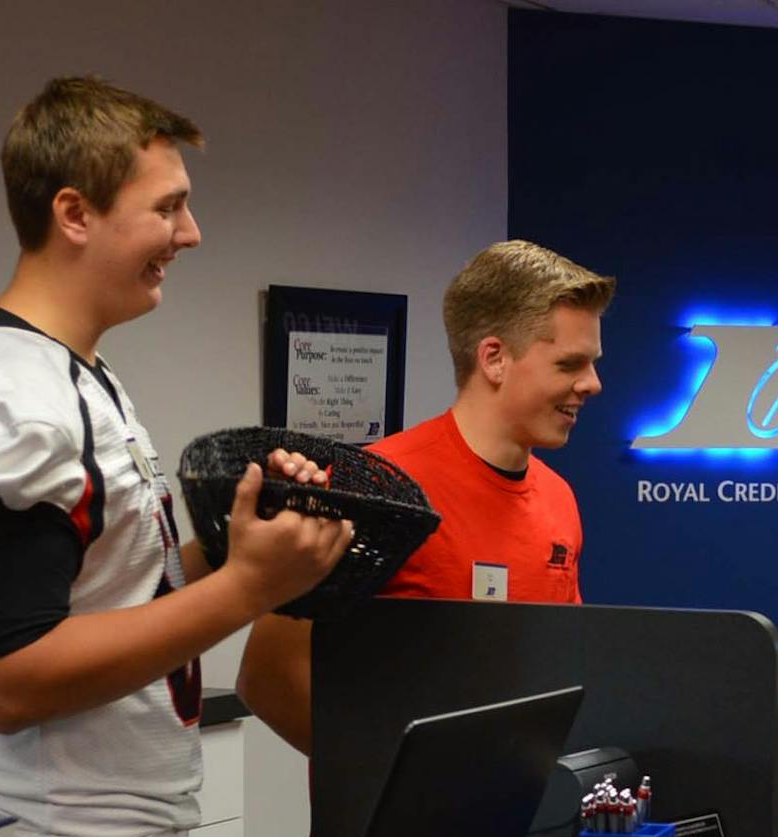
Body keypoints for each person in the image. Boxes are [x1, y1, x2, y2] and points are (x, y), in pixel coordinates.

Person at [0, 77, 350, 837]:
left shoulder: (79, 374)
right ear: (74, 214)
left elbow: (118, 595)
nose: (190, 233)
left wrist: (249, 545)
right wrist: (248, 589)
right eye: (167, 207)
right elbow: (8, 679)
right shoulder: (4, 398)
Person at [235, 240, 614, 754]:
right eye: (570, 365)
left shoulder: (558, 498)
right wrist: (390, 780)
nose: (592, 384)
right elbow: (267, 678)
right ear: (495, 359)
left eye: (592, 364)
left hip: (526, 797)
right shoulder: (370, 488)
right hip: (398, 802)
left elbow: (560, 668)